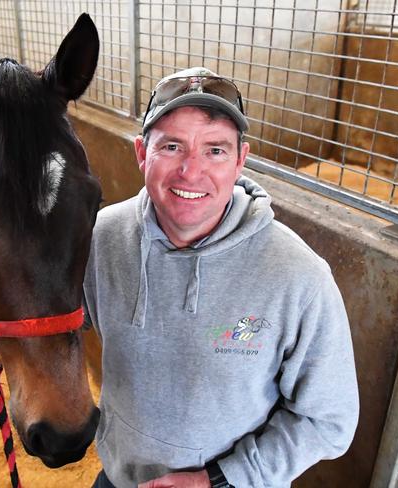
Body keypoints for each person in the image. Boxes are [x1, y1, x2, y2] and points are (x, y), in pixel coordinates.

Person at [82, 67, 359, 488]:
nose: (191, 171)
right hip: (120, 478)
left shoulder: (299, 278)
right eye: (172, 146)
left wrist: (221, 479)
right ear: (141, 153)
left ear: (241, 160)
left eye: (215, 150)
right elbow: (67, 314)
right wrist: (15, 331)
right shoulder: (102, 237)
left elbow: (329, 420)